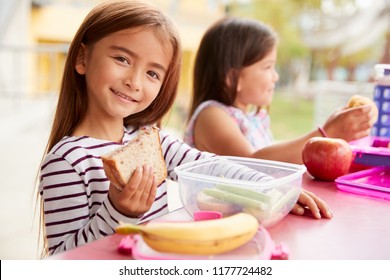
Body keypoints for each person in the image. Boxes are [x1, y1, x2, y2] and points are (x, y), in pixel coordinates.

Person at [37, 2, 331, 257]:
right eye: (122, 59)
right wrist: (118, 211)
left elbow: (212, 168)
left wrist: (272, 190)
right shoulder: (67, 161)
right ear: (82, 59)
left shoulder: (153, 141)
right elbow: (64, 258)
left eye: (152, 73)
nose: (135, 81)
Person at [184, 16, 375, 166]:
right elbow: (253, 164)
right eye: (268, 67)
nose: (275, 76)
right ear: (232, 78)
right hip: (224, 216)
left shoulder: (251, 117)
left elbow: (277, 158)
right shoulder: (211, 116)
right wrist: (327, 133)